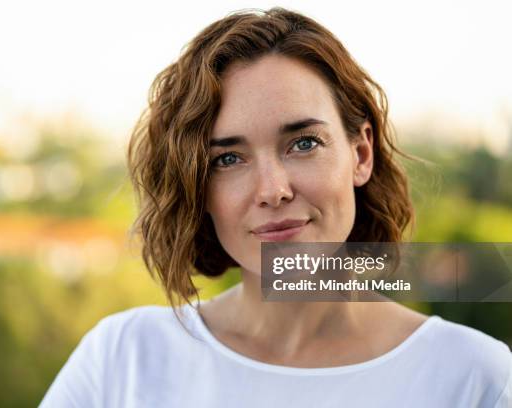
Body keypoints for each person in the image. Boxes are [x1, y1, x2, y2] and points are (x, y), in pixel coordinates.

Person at [40, 7, 512, 407]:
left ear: (360, 154)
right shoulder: (122, 361)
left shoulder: (476, 379)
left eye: (304, 143)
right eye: (228, 158)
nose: (272, 189)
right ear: (198, 188)